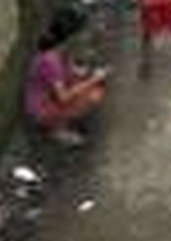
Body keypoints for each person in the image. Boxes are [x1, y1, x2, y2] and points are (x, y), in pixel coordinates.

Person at [25, 8, 109, 146]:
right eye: (81, 33)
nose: (84, 36)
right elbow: (63, 97)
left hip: (49, 95)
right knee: (94, 94)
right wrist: (93, 79)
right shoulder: (51, 61)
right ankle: (55, 128)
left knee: (93, 85)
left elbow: (68, 69)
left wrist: (84, 73)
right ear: (71, 36)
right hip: (41, 108)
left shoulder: (55, 49)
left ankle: (60, 121)